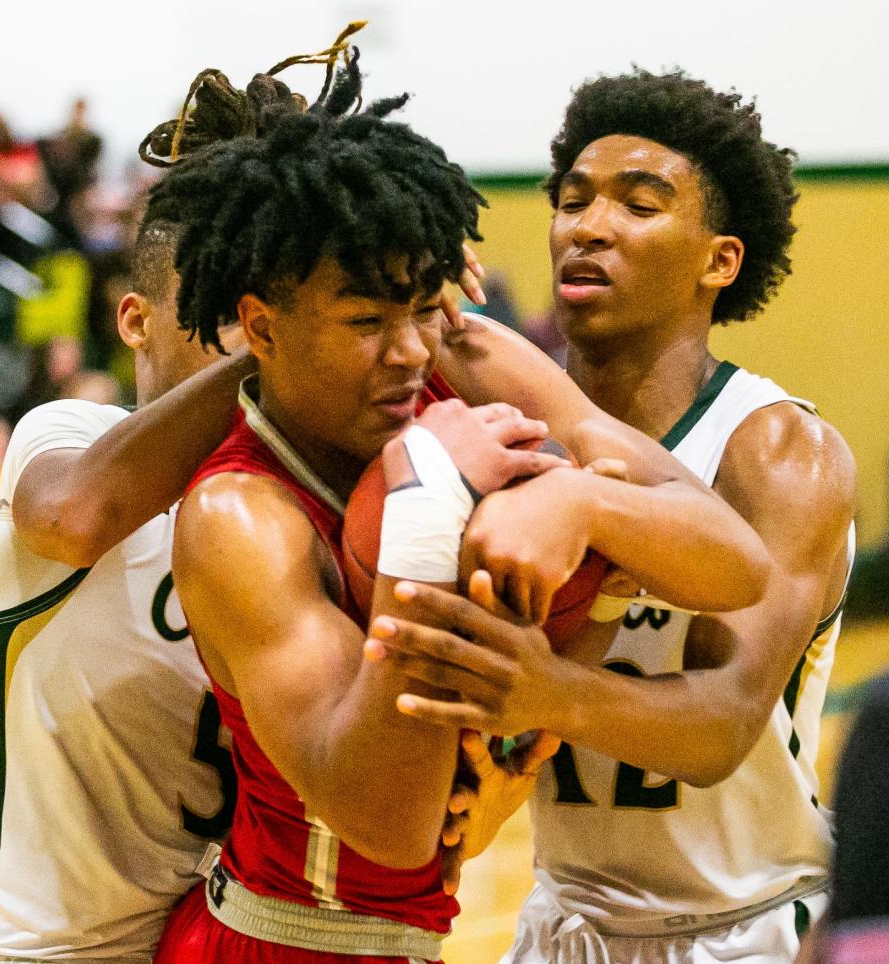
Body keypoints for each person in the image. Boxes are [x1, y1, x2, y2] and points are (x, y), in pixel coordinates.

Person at [148, 49, 770, 961]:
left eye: (421, 305)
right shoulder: (237, 517)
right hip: (287, 938)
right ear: (265, 327)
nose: (408, 351)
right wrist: (427, 502)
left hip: (413, 937)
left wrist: (581, 502)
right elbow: (391, 831)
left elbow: (736, 567)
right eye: (367, 322)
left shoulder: (467, 355)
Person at [370, 69, 856, 963]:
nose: (589, 226)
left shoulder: (780, 450)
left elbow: (722, 724)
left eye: (640, 205)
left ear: (721, 260)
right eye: (573, 200)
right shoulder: (503, 428)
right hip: (561, 926)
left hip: (745, 928)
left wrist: (546, 690)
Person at [0, 213, 253, 962]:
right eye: (222, 306)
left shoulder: (281, 510)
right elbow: (72, 516)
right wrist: (285, 348)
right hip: (33, 954)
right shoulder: (69, 431)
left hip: (204, 945)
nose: (243, 333)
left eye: (261, 309)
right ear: (135, 321)